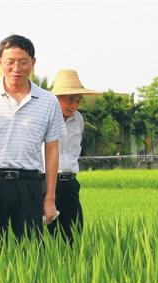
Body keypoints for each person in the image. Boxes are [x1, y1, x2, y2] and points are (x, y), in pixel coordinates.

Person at [0, 34, 65, 240]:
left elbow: (52, 152)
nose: (16, 69)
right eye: (10, 62)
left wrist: (50, 198)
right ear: (0, 62)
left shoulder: (48, 101)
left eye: (23, 62)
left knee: (30, 250)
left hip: (30, 184)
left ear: (33, 63)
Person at [49, 69, 99, 242]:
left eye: (77, 100)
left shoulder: (78, 119)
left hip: (69, 184)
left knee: (74, 236)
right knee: (47, 238)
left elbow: (74, 151)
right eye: (70, 99)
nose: (74, 105)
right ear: (57, 97)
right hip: (46, 183)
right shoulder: (44, 118)